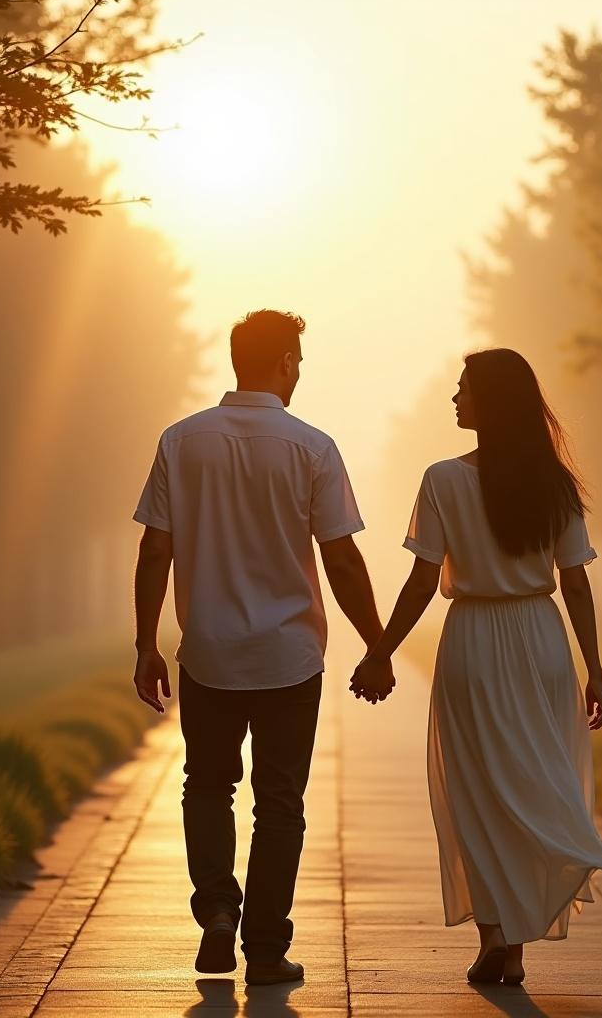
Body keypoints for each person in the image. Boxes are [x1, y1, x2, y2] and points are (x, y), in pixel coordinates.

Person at [131, 310, 393, 986]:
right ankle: (267, 951)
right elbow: (340, 558)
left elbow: (156, 547)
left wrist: (144, 644)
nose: (299, 372)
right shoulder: (312, 447)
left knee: (207, 785)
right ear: (282, 361)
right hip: (288, 658)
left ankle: (218, 911)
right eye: (297, 360)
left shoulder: (181, 442)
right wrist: (377, 643)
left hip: (210, 652)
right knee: (280, 802)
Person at [351, 347, 602, 985]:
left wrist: (382, 649)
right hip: (540, 637)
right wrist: (596, 671)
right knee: (529, 779)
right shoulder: (553, 483)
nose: (454, 398)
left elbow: (422, 581)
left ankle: (494, 935)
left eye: (464, 388)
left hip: (473, 640)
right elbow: (574, 583)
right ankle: (516, 941)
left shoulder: (443, 479)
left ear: (490, 401)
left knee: (476, 790)